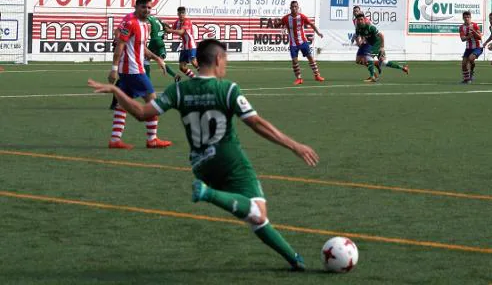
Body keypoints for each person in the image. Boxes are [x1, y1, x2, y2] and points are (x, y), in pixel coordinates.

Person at [87, 39, 320, 271]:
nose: (225, 66)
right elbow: (257, 124)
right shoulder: (227, 89)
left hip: (201, 165)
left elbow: (141, 113)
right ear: (218, 59)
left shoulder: (179, 90)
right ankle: (209, 194)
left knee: (257, 216)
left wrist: (117, 90)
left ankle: (294, 259)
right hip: (230, 161)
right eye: (225, 60)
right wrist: (294, 145)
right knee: (257, 212)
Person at [107, 0, 172, 149]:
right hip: (133, 70)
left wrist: (157, 58)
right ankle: (152, 139)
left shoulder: (146, 26)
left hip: (133, 69)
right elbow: (120, 45)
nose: (146, 10)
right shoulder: (130, 23)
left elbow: (142, 48)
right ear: (136, 7)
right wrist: (114, 69)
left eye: (149, 7)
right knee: (153, 102)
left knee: (122, 105)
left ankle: (115, 140)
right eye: (143, 7)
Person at [280, 0, 324, 85]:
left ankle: (317, 75)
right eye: (292, 7)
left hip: (303, 42)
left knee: (310, 58)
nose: (294, 8)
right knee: (294, 61)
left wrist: (318, 33)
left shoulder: (302, 17)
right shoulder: (286, 18)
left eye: (295, 6)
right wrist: (279, 25)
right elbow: (279, 24)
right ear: (290, 8)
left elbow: (311, 24)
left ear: (298, 8)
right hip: (293, 44)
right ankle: (299, 78)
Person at [354, 13, 408, 82]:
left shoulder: (370, 27)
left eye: (361, 19)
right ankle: (403, 68)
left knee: (369, 58)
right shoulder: (358, 28)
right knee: (383, 62)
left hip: (377, 44)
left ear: (364, 20)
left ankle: (373, 77)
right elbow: (359, 36)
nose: (360, 21)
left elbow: (381, 35)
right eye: (358, 20)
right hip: (370, 44)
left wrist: (382, 47)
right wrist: (359, 43)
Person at [146, 10, 180, 81]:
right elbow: (166, 24)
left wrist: (145, 38)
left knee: (146, 60)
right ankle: (174, 75)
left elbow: (148, 27)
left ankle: (147, 81)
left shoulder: (147, 19)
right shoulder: (156, 19)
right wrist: (166, 30)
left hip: (154, 40)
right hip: (160, 41)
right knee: (160, 61)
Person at [169, 6, 198, 79]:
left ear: (185, 13)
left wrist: (170, 30)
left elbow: (181, 32)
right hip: (184, 46)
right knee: (182, 67)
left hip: (191, 45)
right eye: (180, 13)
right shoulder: (177, 22)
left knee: (194, 62)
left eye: (183, 13)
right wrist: (165, 29)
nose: (182, 14)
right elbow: (171, 30)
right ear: (178, 14)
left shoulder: (187, 21)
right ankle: (194, 78)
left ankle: (206, 77)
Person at [458, 11, 482, 84]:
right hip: (468, 48)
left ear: (470, 18)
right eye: (465, 17)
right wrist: (468, 36)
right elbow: (462, 39)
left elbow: (479, 37)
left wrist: (474, 32)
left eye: (468, 17)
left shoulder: (475, 25)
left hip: (477, 47)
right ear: (463, 18)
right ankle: (467, 79)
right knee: (464, 64)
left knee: (470, 58)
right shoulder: (462, 27)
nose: (466, 19)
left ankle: (471, 72)